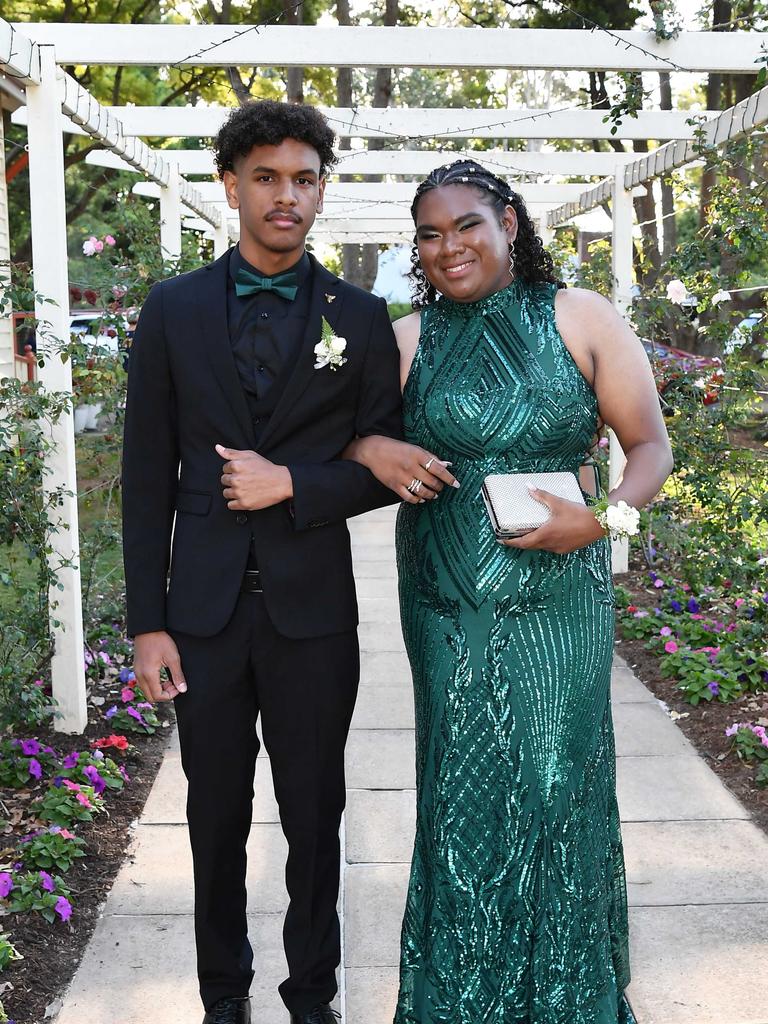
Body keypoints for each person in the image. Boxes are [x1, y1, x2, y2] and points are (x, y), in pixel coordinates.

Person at [343, 159, 674, 1023]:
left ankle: (566, 1001)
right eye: (429, 233)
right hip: (444, 604)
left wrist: (602, 521)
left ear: (510, 224)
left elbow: (649, 450)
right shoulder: (407, 337)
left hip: (560, 600)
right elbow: (348, 439)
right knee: (462, 793)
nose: (449, 247)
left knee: (556, 786)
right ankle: (459, 1005)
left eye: (467, 226)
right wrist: (373, 452)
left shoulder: (582, 316)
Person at [121, 100, 403, 1024]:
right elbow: (142, 476)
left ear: (323, 187)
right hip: (198, 617)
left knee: (316, 817)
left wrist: (296, 485)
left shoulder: (361, 319)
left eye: (306, 178)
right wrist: (146, 622)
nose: (288, 197)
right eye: (269, 177)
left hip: (312, 614)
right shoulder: (172, 309)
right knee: (214, 821)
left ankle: (312, 996)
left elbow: (381, 464)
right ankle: (223, 998)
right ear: (232, 184)